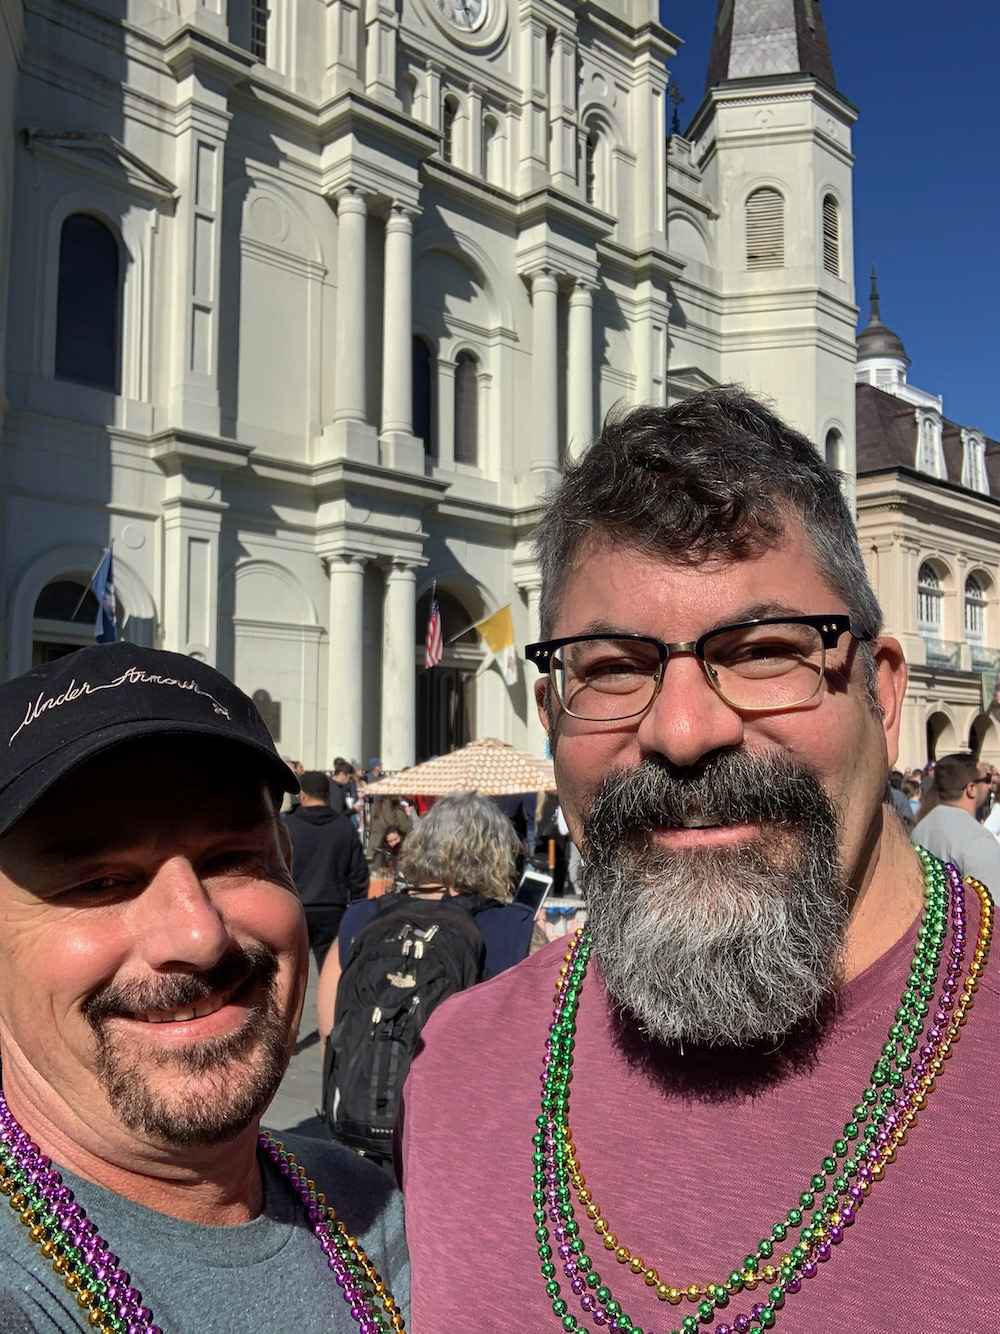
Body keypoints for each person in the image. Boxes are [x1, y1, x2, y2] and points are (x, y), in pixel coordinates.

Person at [400, 386, 998, 1332]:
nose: (682, 732)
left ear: (882, 698)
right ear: (551, 717)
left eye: (763, 652)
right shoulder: (460, 1071)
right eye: (612, 667)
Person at [0, 642, 409, 1332]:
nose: (197, 935)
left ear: (285, 864)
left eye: (230, 859)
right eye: (99, 882)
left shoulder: (372, 1208)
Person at [318, 791, 538, 1171]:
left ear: (422, 844)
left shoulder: (361, 918)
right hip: (460, 1146)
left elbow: (330, 1034)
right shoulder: (514, 929)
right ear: (498, 854)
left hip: (360, 1138)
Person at [283, 769, 370, 968]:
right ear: (328, 795)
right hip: (333, 908)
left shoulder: (287, 827)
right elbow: (359, 873)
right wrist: (356, 907)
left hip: (295, 907)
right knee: (331, 971)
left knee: (290, 971)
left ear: (302, 795)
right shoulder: (344, 826)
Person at [911, 751, 1000, 896]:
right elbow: (993, 905)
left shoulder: (920, 829)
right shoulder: (979, 840)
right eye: (987, 778)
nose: (990, 785)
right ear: (971, 789)